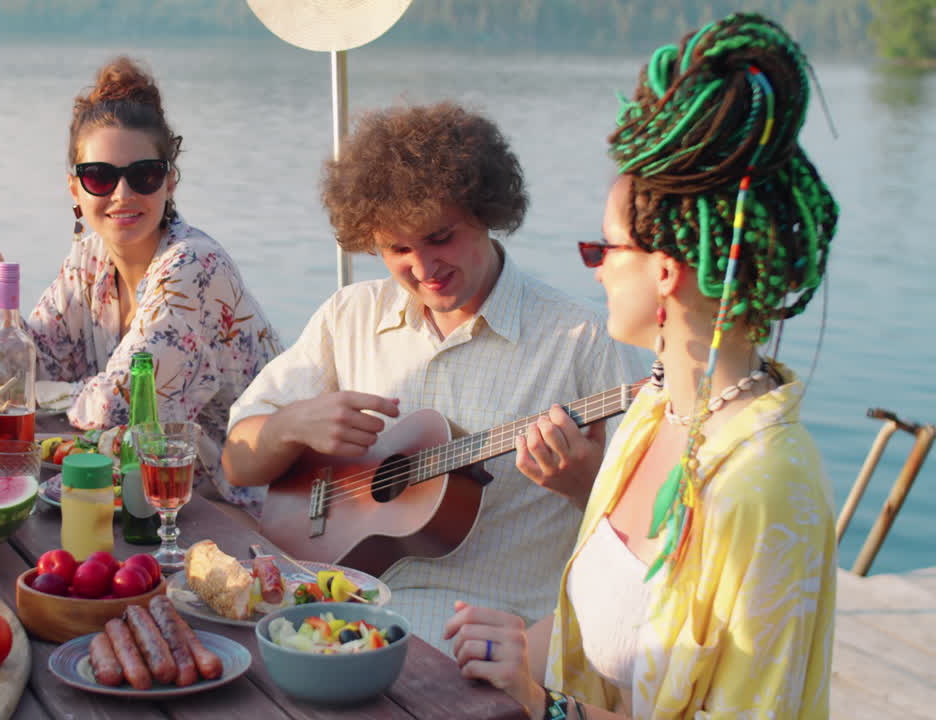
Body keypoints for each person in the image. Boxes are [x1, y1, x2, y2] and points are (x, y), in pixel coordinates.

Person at [442, 13, 838, 719]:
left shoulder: (767, 485)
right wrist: (520, 648)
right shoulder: (655, 413)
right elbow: (610, 635)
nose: (593, 270)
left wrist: (542, 704)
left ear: (664, 272)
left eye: (602, 249)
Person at [223, 102, 648, 646]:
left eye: (440, 237)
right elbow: (238, 463)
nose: (424, 268)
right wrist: (290, 426)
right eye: (398, 248)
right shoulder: (349, 316)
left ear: (485, 211)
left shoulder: (580, 339)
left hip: (492, 635)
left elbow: (653, 535)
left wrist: (584, 483)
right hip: (335, 607)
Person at [0, 57, 281, 510]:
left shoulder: (194, 267)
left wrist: (47, 392)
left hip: (249, 509)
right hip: (153, 496)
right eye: (100, 177)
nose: (122, 195)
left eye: (144, 175)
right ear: (75, 189)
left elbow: (116, 408)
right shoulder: (89, 259)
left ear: (170, 182)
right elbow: (24, 372)